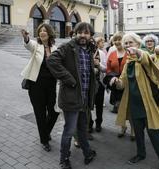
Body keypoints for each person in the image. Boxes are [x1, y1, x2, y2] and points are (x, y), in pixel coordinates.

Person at [115, 32, 159, 169]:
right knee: (138, 133)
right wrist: (116, 82)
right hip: (134, 105)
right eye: (125, 43)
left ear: (138, 44)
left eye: (130, 42)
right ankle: (141, 154)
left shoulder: (144, 57)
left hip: (148, 104)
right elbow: (122, 83)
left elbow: (144, 57)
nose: (127, 45)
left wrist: (137, 51)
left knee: (154, 133)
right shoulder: (128, 64)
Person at [46, 22, 97, 169]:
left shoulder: (89, 49)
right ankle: (64, 159)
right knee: (69, 131)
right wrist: (70, 80)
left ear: (90, 35)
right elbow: (51, 60)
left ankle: (87, 153)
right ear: (75, 33)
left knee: (82, 129)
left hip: (83, 98)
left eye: (86, 33)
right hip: (71, 98)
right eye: (80, 32)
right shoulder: (68, 47)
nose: (82, 35)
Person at [20, 23, 59, 152]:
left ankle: (45, 132)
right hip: (36, 84)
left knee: (54, 111)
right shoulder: (36, 45)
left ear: (49, 33)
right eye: (40, 31)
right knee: (40, 113)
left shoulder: (55, 48)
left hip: (51, 85)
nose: (42, 32)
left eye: (45, 30)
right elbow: (28, 44)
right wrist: (26, 38)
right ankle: (44, 140)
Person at [104, 32, 135, 140]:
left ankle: (133, 130)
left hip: (129, 85)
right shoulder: (112, 54)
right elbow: (108, 69)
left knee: (130, 108)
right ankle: (123, 127)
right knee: (119, 108)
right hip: (117, 85)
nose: (117, 42)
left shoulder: (130, 53)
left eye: (119, 39)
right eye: (115, 40)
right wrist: (112, 77)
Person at [89, 36, 108, 132]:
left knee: (99, 105)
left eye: (93, 42)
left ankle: (98, 123)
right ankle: (89, 123)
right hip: (87, 84)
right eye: (90, 42)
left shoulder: (101, 53)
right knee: (88, 106)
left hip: (99, 83)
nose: (92, 44)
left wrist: (98, 64)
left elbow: (105, 69)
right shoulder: (84, 53)